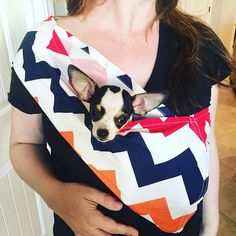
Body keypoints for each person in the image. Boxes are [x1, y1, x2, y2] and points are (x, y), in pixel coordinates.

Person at [8, 0, 235, 235]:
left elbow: (205, 141)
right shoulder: (41, 51)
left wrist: (210, 224)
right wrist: (54, 195)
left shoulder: (199, 43)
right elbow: (24, 142)